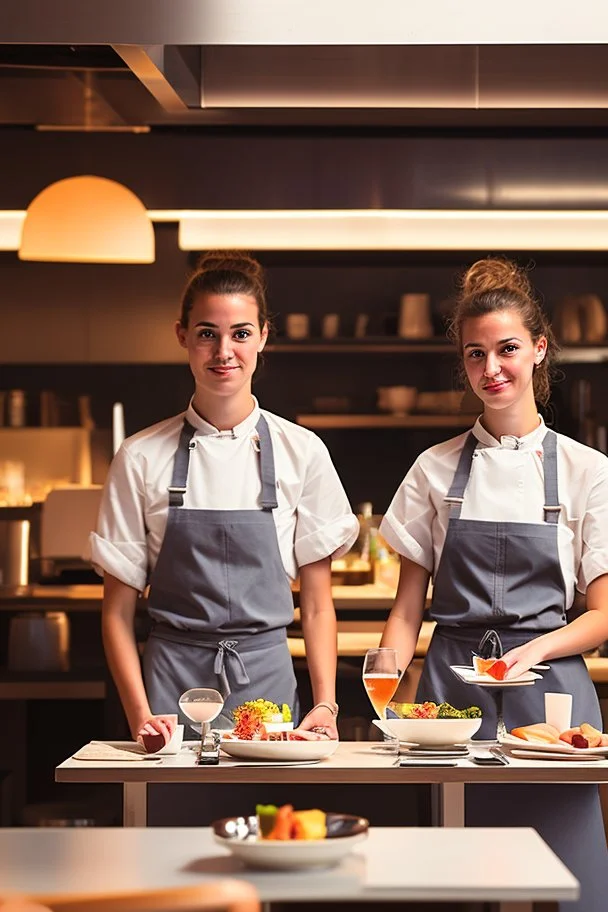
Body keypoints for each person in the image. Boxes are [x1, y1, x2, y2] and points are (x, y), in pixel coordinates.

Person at [380, 257, 608, 911]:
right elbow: (404, 613)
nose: (492, 369)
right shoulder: (433, 471)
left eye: (507, 349)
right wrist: (383, 701)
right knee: (457, 880)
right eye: (475, 354)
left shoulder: (587, 471)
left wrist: (530, 652)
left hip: (552, 700)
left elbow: (603, 614)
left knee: (567, 882)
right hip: (450, 701)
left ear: (539, 349)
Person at [92, 251, 358, 748]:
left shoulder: (302, 451)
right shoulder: (139, 456)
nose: (223, 351)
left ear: (263, 337)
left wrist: (324, 704)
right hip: (170, 689)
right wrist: (141, 714)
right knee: (169, 823)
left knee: (266, 819)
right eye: (207, 333)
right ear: (182, 337)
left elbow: (318, 605)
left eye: (240, 333)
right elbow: (115, 613)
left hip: (269, 684)